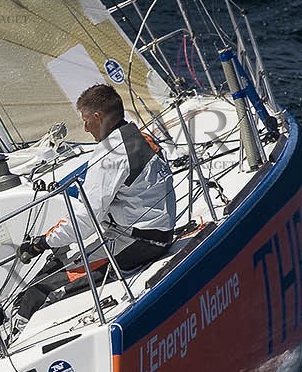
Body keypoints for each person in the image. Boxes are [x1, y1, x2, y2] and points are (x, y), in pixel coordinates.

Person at [12, 84, 178, 325]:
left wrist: (43, 242)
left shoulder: (109, 154)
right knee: (57, 262)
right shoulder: (136, 134)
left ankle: (15, 336)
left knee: (43, 289)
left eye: (86, 120)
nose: (85, 127)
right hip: (149, 232)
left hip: (140, 243)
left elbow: (85, 220)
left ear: (98, 117)